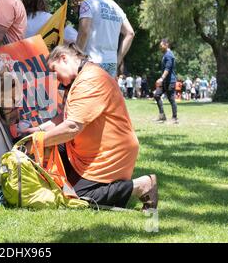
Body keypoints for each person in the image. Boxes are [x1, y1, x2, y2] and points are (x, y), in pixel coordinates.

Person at [25, 43, 158, 210]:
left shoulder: (90, 79)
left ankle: (141, 185)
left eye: (53, 70)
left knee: (80, 199)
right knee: (64, 186)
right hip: (89, 150)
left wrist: (37, 141)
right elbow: (65, 116)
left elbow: (72, 127)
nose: (54, 77)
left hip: (111, 153)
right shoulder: (82, 77)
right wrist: (37, 131)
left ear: (63, 59)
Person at [76, 0, 135, 77]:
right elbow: (130, 33)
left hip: (91, 61)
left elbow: (84, 32)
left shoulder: (88, 3)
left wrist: (76, 58)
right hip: (111, 64)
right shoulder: (116, 7)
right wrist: (118, 60)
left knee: (89, 93)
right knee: (105, 94)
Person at [154, 39, 178, 124]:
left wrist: (161, 78)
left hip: (170, 81)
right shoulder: (165, 54)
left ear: (166, 44)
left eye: (161, 46)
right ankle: (162, 115)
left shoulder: (169, 55)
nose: (160, 47)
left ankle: (175, 118)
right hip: (165, 81)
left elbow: (167, 68)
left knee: (171, 99)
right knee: (157, 95)